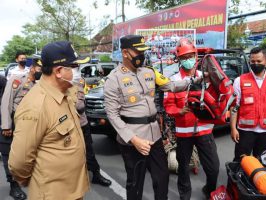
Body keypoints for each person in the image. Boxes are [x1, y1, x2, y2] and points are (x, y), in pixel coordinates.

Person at [104, 35, 202, 200]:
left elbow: (171, 85)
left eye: (144, 51)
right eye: (138, 52)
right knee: (135, 183)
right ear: (125, 53)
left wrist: (196, 80)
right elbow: (112, 115)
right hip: (132, 140)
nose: (142, 55)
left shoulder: (150, 72)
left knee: (162, 178)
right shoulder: (113, 79)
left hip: (155, 136)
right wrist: (134, 140)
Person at [8, 41, 90, 200]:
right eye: (74, 67)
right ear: (59, 71)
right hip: (53, 194)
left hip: (73, 190)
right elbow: (19, 162)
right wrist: (36, 182)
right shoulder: (35, 106)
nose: (78, 72)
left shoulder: (65, 93)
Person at [164, 38, 220, 200]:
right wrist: (179, 111)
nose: (187, 60)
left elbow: (217, 98)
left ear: (196, 56)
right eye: (183, 57)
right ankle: (184, 196)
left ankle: (209, 189)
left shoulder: (206, 77)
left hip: (205, 131)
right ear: (179, 59)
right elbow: (168, 105)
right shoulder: (174, 81)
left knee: (213, 168)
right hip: (184, 134)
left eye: (190, 56)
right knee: (183, 169)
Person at [230, 47, 266, 162]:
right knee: (240, 163)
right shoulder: (240, 80)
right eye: (253, 61)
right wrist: (233, 128)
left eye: (259, 61)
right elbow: (234, 106)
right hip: (245, 132)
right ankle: (233, 181)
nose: (256, 64)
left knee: (262, 163)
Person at [0, 58, 42, 200]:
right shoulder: (17, 80)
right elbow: (6, 102)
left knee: (27, 153)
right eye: (39, 69)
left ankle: (26, 178)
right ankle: (14, 185)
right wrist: (6, 125)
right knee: (8, 154)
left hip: (29, 125)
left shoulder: (39, 85)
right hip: (13, 123)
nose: (40, 72)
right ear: (32, 68)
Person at [71, 67, 112, 187]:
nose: (76, 68)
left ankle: (96, 174)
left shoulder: (80, 80)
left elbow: (81, 103)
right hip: (68, 125)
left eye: (77, 66)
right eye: (73, 66)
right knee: (70, 153)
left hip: (82, 122)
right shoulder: (60, 83)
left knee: (89, 150)